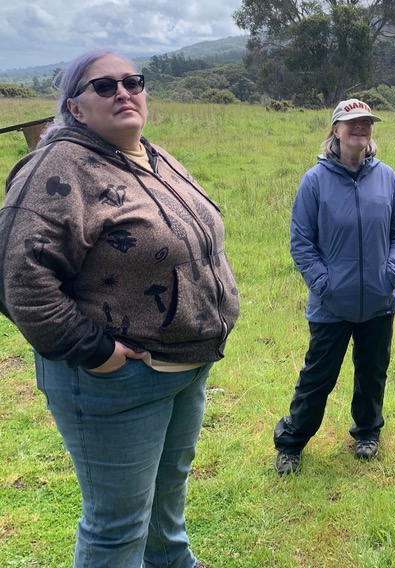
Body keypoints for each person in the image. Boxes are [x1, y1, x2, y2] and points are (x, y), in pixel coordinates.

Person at [0, 48, 239, 567]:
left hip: (184, 367)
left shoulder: (152, 156)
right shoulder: (56, 167)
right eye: (103, 86)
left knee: (164, 515)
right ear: (76, 108)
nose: (124, 91)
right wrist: (95, 350)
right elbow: (16, 277)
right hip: (117, 382)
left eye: (133, 81)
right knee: (117, 530)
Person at [273, 99, 395, 475]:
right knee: (317, 378)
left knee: (372, 372)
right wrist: (324, 284)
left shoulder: (387, 177)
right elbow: (302, 243)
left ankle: (367, 432)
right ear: (335, 130)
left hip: (380, 301)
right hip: (331, 303)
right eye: (352, 123)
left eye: (366, 123)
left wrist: (391, 272)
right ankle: (291, 442)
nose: (360, 129)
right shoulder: (314, 182)